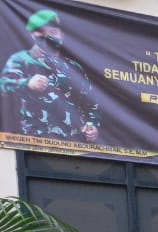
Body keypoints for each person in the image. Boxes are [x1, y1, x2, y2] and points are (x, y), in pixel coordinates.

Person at [0, 9, 99, 141]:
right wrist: (27, 83)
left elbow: (92, 102)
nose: (47, 37)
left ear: (62, 35)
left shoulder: (74, 67)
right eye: (41, 32)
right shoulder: (22, 59)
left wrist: (93, 125)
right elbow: (4, 85)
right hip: (38, 143)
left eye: (53, 32)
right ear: (33, 35)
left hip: (76, 143)